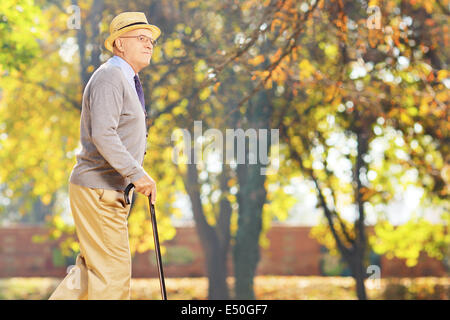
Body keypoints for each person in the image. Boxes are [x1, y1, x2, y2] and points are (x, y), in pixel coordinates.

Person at [49, 12, 160, 300]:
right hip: (99, 190)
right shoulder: (111, 77)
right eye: (141, 38)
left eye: (151, 41)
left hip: (105, 189)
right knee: (112, 277)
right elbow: (103, 134)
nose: (149, 45)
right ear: (119, 44)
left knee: (90, 275)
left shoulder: (126, 79)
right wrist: (137, 174)